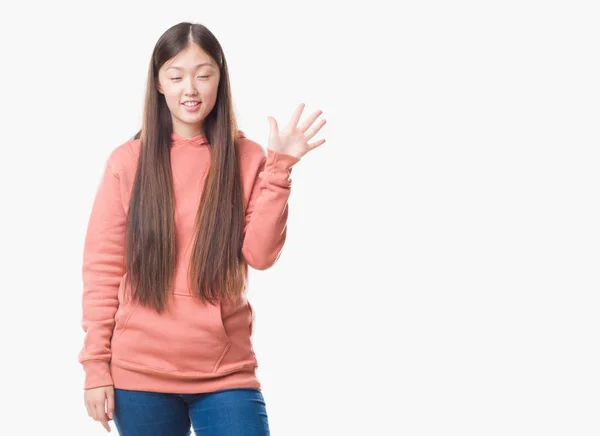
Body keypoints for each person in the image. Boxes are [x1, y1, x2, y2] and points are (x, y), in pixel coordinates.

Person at [78, 21, 326, 435]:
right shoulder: (128, 161)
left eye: (203, 74)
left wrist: (280, 169)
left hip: (225, 370)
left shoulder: (248, 158)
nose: (189, 89)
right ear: (158, 84)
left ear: (219, 80)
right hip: (139, 373)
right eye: (176, 76)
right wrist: (95, 367)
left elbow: (261, 256)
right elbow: (102, 270)